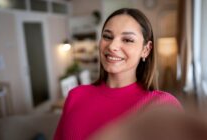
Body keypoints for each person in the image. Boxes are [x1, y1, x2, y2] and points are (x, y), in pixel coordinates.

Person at [54, 8, 182, 140]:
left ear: (146, 49)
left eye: (127, 40)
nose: (112, 46)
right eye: (107, 37)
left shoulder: (163, 105)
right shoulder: (75, 96)